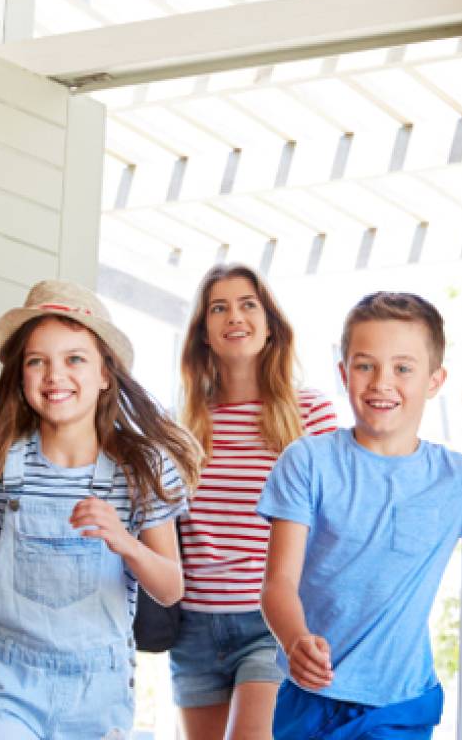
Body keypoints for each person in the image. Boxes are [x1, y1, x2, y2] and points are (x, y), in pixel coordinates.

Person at [0, 281, 203, 739]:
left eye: (74, 358)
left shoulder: (141, 469)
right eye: (37, 361)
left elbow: (171, 587)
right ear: (21, 376)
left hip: (98, 690)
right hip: (8, 676)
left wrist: (124, 541)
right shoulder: (1, 454)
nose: (54, 375)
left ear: (105, 375)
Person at [256, 292, 462, 739]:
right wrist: (295, 640)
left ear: (434, 380)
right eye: (365, 364)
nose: (381, 382)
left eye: (403, 368)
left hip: (400, 706)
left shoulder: (457, 480)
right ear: (344, 371)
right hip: (309, 700)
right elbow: (278, 584)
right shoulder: (307, 462)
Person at [170, 264, 339, 740]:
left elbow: (339, 519)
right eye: (218, 308)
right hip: (194, 628)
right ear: (204, 332)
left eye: (248, 304)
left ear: (270, 326)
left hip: (271, 623)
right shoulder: (181, 424)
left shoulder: (310, 412)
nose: (234, 317)